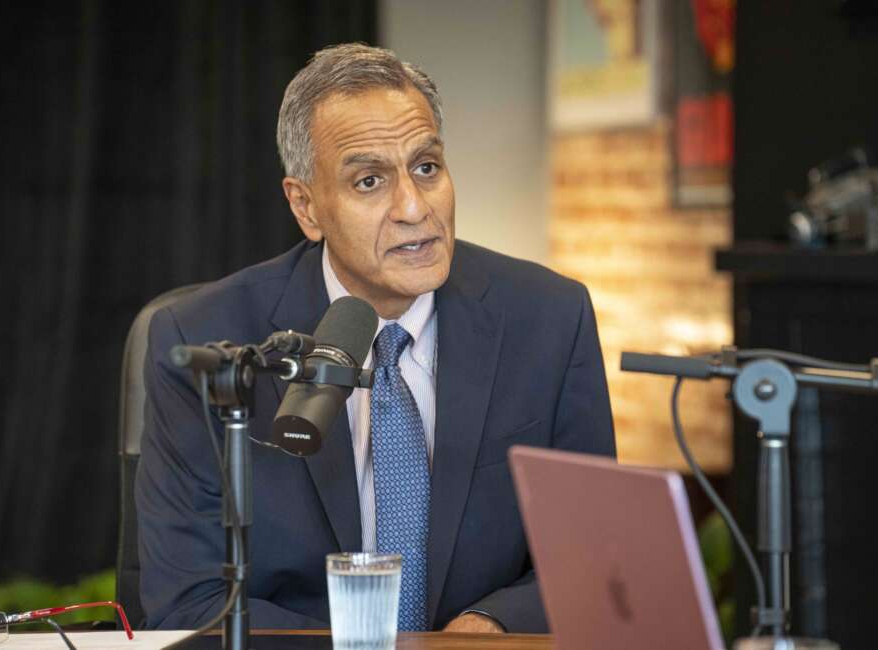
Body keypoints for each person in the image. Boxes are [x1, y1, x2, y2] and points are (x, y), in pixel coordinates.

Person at [136, 43, 616, 634]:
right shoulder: (208, 340)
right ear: (306, 207)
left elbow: (591, 558)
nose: (414, 207)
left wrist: (490, 625)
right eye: (370, 181)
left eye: (426, 167)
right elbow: (190, 596)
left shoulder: (547, 319)